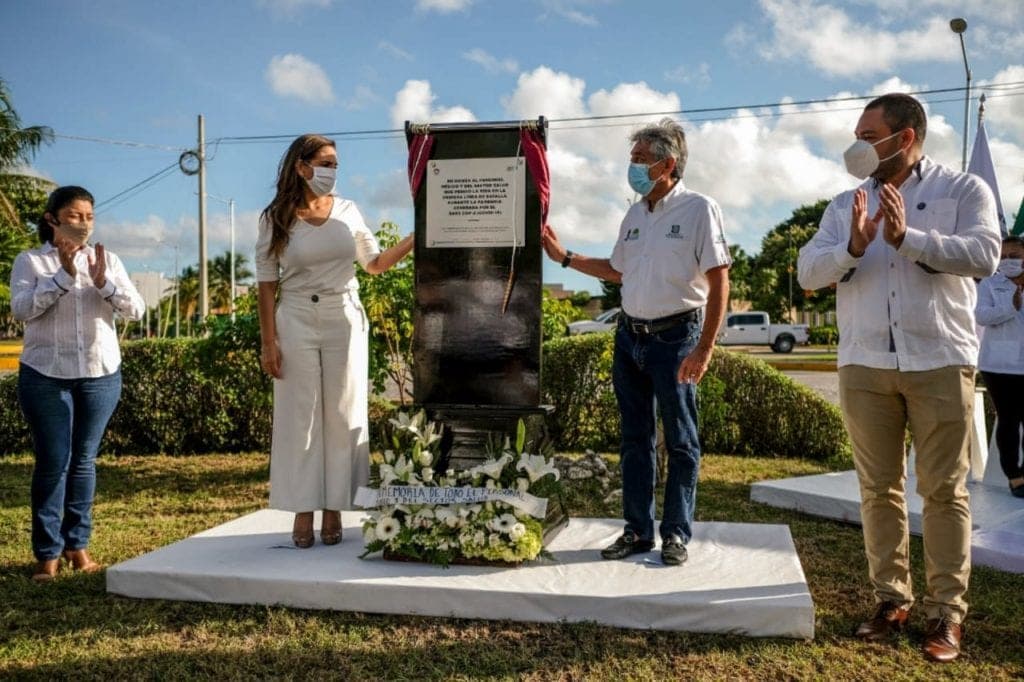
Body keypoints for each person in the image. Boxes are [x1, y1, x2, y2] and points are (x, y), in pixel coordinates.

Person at [798, 93, 1001, 663]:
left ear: (904, 136)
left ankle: (945, 613)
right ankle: (891, 600)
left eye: (868, 135)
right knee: (877, 489)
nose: (857, 146)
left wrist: (908, 238)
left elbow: (984, 255)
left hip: (939, 358)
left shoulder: (963, 190)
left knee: (943, 490)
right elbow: (808, 271)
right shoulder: (845, 204)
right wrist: (853, 246)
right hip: (864, 363)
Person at [541, 118, 731, 567]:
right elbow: (617, 270)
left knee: (681, 440)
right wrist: (565, 258)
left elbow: (719, 279)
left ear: (668, 164)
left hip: (677, 338)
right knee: (634, 439)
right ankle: (638, 531)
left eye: (640, 159)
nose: (633, 167)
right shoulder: (634, 214)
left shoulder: (699, 209)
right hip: (630, 338)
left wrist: (705, 348)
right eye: (632, 158)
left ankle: (676, 533)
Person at [256, 134, 413, 548]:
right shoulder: (275, 217)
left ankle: (335, 508)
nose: (332, 171)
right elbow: (266, 284)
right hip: (294, 318)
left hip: (344, 316)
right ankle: (303, 508)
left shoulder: (348, 210)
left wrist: (415, 238)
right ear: (301, 166)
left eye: (335, 165)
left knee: (343, 412)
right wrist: (269, 342)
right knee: (300, 415)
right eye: (325, 163)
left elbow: (374, 264)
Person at [11, 185, 146, 582]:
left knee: (84, 462)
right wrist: (62, 278)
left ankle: (77, 544)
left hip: (99, 374)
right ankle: (47, 552)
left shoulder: (108, 260)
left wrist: (105, 283)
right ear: (52, 219)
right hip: (45, 375)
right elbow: (21, 309)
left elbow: (136, 310)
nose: (83, 223)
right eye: (74, 215)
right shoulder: (31, 261)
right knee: (54, 461)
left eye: (89, 216)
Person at [976, 235, 1024, 497]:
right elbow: (982, 316)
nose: (1008, 261)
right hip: (999, 366)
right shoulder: (989, 283)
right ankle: (1014, 477)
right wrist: (1010, 305)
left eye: (1014, 256)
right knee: (1008, 421)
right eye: (1003, 257)